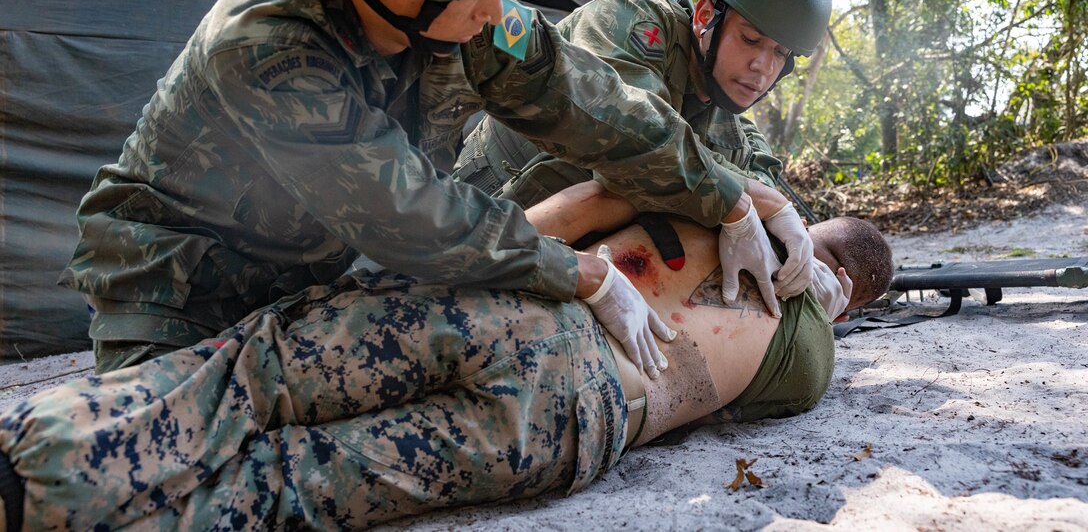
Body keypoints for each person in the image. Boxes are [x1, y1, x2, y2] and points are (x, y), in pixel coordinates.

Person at [58, 0, 780, 379]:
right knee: (156, 464)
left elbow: (593, 106)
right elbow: (403, 209)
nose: (500, 12)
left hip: (312, 280)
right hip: (177, 296)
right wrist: (579, 270)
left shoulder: (465, 16)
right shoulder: (265, 45)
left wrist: (724, 195)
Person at [0, 183, 891, 531]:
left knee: (258, 373)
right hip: (574, 432)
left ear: (814, 238)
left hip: (522, 319)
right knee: (289, 484)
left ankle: (35, 459)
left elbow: (563, 215)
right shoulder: (810, 366)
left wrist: (747, 200)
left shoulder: (727, 205)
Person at [454, 0, 834, 315]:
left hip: (559, 260)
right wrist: (743, 203)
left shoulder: (726, 119)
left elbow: (761, 179)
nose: (762, 68)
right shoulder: (629, 20)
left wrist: (800, 248)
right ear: (704, 17)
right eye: (750, 39)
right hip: (472, 220)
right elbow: (635, 136)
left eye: (780, 54)